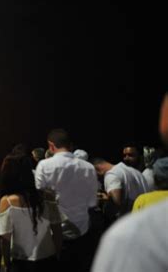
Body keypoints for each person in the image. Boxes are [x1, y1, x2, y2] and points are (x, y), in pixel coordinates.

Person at [91, 93, 168, 272]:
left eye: (131, 154)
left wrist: (105, 201)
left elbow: (116, 202)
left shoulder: (113, 175)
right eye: (124, 154)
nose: (126, 157)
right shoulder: (137, 172)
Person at [34, 129, 98, 272]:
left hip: (52, 236)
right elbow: (92, 203)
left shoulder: (43, 166)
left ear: (51, 146)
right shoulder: (88, 167)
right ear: (71, 145)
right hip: (82, 233)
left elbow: (40, 200)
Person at [0, 155, 62, 272]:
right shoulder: (47, 197)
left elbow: (5, 240)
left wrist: (6, 264)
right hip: (49, 260)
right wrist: (57, 255)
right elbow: (57, 231)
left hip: (22, 262)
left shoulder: (7, 202)